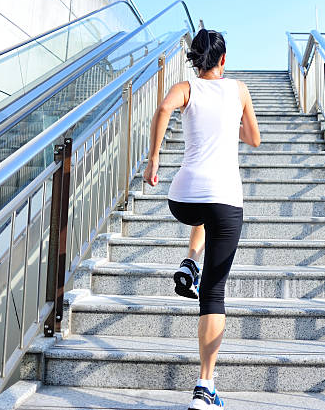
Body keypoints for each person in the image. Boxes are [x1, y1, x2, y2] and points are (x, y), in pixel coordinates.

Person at [143, 28, 260, 409]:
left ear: (196, 60)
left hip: (183, 198)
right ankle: (204, 387)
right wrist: (231, 126)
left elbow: (162, 109)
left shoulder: (185, 88)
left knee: (202, 213)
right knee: (213, 295)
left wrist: (154, 159)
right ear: (223, 60)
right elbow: (254, 138)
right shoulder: (239, 90)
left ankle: (190, 261)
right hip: (226, 202)